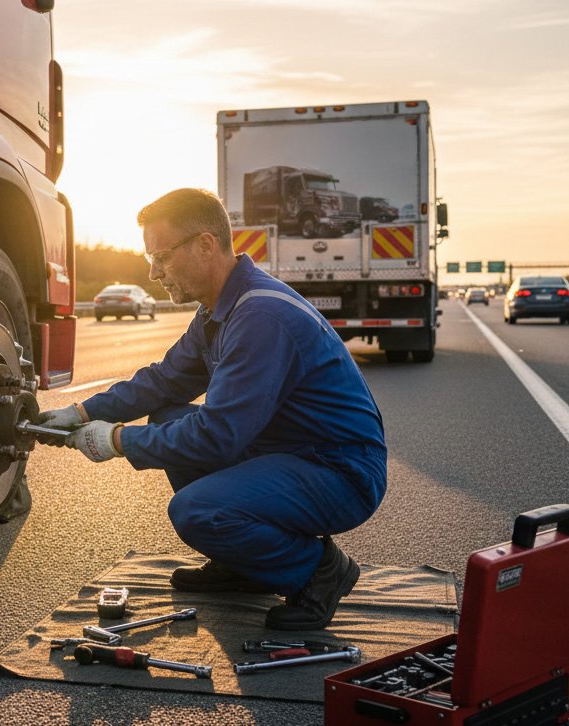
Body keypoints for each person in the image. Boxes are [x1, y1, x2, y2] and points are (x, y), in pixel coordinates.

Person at [39, 188, 386, 630]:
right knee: (167, 415)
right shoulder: (218, 310)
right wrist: (82, 412)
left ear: (205, 245)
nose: (153, 273)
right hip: (291, 451)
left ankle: (319, 571)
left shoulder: (259, 316)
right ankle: (243, 564)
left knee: (197, 510)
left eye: (161, 257)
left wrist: (117, 440)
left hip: (339, 471)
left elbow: (217, 436)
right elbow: (164, 380)